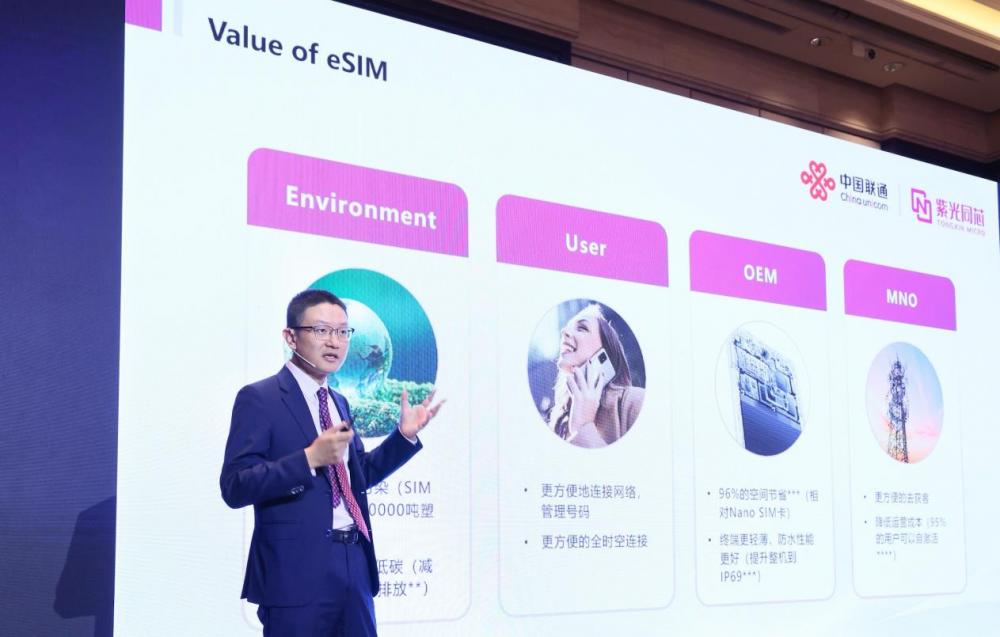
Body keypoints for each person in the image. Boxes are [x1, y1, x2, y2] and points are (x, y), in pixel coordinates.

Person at [220, 289, 442, 636]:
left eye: (342, 332)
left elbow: (357, 476)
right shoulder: (260, 398)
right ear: (291, 337)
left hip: (354, 563)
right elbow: (236, 485)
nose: (334, 342)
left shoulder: (339, 401)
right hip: (294, 572)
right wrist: (309, 459)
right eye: (321, 330)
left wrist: (403, 436)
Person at [546, 304, 644, 448]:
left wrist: (583, 426)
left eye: (582, 328)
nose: (564, 331)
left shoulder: (635, 401)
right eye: (567, 328)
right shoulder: (559, 419)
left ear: (606, 349)